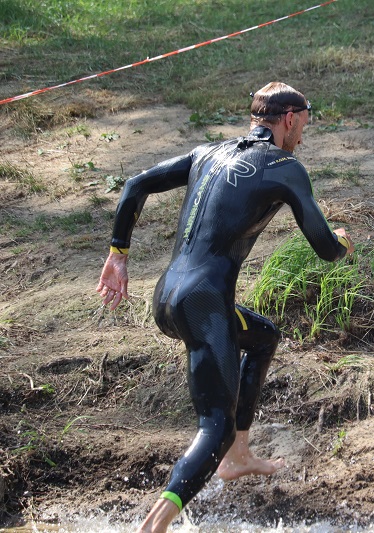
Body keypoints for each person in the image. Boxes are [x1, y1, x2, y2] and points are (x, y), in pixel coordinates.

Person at [96, 81, 355, 533]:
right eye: (305, 122)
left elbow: (136, 184)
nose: (304, 132)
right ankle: (152, 526)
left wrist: (118, 255)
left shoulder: (208, 152)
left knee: (263, 337)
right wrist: (343, 245)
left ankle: (238, 455)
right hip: (204, 303)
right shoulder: (285, 166)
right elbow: (325, 248)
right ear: (290, 119)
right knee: (211, 427)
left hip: (168, 296)